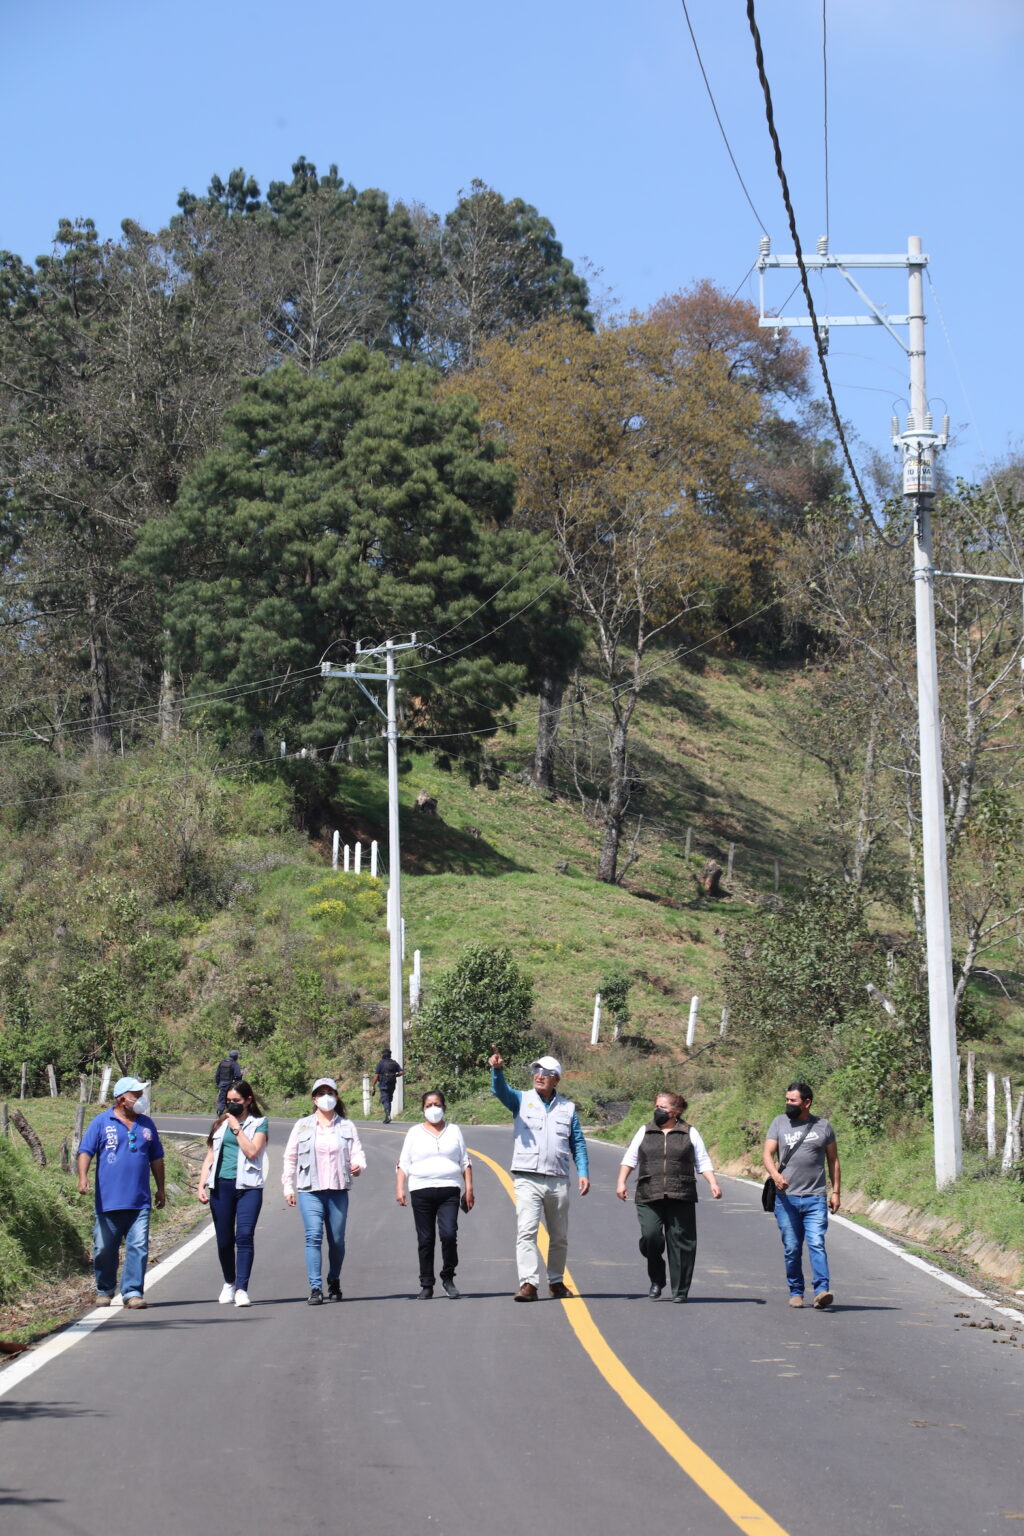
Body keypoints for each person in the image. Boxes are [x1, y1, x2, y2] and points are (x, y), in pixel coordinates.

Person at [488, 1051, 589, 1302]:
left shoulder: (567, 1108)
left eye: (546, 1073)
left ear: (557, 1079)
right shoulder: (520, 1099)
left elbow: (577, 1141)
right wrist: (497, 1071)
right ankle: (528, 1284)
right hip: (527, 1178)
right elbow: (501, 1091)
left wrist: (583, 1172)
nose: (539, 1076)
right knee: (527, 1232)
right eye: (537, 1071)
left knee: (559, 1235)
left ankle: (556, 1282)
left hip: (557, 1179)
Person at [616, 1092, 722, 1302]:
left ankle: (680, 1291)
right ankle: (657, 1278)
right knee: (651, 1236)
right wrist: (621, 1181)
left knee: (682, 1243)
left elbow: (702, 1160)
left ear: (676, 1111)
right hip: (649, 1193)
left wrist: (713, 1182)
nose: (658, 1110)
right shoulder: (645, 1131)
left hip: (681, 1193)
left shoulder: (688, 1132)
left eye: (663, 1107)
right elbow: (631, 1157)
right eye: (656, 1106)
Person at [76, 1076, 166, 1309]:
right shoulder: (101, 1122)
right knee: (105, 1248)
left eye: (140, 1094)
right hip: (109, 1201)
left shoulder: (147, 1124)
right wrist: (83, 1177)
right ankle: (105, 1289)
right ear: (121, 1098)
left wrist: (161, 1188)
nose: (140, 1099)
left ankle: (133, 1292)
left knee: (138, 1246)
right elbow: (86, 1151)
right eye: (135, 1095)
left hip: (140, 1201)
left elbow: (157, 1158)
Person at [282, 1077, 366, 1305]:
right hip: (310, 1189)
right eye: (321, 1093)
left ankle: (334, 1278)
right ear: (314, 1099)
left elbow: (357, 1152)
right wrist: (287, 1186)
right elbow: (290, 1156)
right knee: (313, 1237)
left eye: (330, 1092)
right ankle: (315, 1287)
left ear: (337, 1097)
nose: (326, 1097)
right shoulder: (303, 1125)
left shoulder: (346, 1125)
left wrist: (358, 1165)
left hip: (338, 1190)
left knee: (337, 1240)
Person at [763, 1080, 841, 1309]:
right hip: (785, 1199)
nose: (788, 1104)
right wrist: (776, 1176)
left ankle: (822, 1290)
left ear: (807, 1102)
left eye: (793, 1100)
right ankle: (796, 1290)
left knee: (817, 1242)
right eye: (787, 1100)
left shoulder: (823, 1126)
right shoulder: (779, 1123)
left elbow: (833, 1160)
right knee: (792, 1247)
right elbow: (768, 1154)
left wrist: (835, 1192)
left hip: (815, 1197)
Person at [196, 1079, 269, 1308]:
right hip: (221, 1186)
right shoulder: (219, 1124)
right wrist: (201, 1184)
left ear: (248, 1100)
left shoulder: (259, 1124)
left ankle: (242, 1289)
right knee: (224, 1239)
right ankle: (229, 1281)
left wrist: (237, 1128)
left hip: (248, 1187)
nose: (232, 1105)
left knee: (244, 1236)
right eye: (229, 1101)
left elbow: (252, 1152)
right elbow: (210, 1155)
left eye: (236, 1101)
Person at [396, 1091, 474, 1299]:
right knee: (426, 1238)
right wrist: (400, 1188)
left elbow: (465, 1161)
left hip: (449, 1189)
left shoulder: (454, 1130)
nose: (433, 1109)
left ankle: (448, 1277)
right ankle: (426, 1283)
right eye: (429, 1105)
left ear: (444, 1107)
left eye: (437, 1104)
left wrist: (469, 1189)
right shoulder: (414, 1132)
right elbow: (403, 1163)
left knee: (449, 1234)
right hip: (420, 1190)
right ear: (422, 1109)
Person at [371, 1049, 403, 1123]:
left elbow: (376, 1076)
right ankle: (387, 1116)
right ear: (390, 1055)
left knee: (385, 1100)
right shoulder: (394, 1063)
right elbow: (401, 1072)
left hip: (383, 1084)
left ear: (383, 1055)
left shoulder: (380, 1063)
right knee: (389, 1100)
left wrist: (373, 1086)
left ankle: (388, 1116)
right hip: (392, 1084)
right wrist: (395, 1075)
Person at [215, 1049, 242, 1115]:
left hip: (222, 1085)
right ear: (235, 1057)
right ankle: (233, 1113)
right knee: (232, 1099)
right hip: (230, 1085)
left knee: (222, 1099)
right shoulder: (234, 1064)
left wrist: (219, 1084)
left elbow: (217, 1075)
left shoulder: (222, 1063)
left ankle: (220, 1111)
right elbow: (238, 1075)